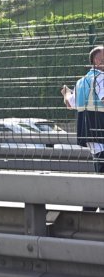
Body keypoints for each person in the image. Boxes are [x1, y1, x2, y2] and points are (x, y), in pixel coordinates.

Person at [62, 45, 104, 210]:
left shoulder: (81, 82)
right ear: (97, 61)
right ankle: (89, 212)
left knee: (99, 176)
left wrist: (65, 92)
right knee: (100, 181)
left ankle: (89, 213)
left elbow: (69, 103)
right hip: (102, 133)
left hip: (91, 138)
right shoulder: (101, 79)